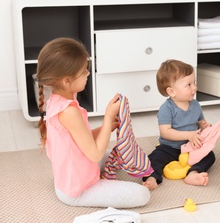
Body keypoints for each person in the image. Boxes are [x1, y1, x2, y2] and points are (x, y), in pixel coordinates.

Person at [36, 37, 150, 208]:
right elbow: (95, 154)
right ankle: (99, 183)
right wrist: (108, 117)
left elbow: (80, 139)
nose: (88, 74)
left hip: (73, 173)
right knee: (142, 195)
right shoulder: (69, 111)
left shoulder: (58, 99)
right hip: (78, 190)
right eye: (84, 72)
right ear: (67, 80)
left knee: (114, 154)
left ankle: (99, 174)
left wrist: (107, 128)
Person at [142, 59, 215, 190]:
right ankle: (152, 178)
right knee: (154, 158)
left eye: (194, 82)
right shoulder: (166, 109)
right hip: (170, 147)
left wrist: (205, 127)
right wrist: (188, 135)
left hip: (191, 146)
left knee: (210, 156)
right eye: (188, 85)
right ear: (171, 92)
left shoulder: (195, 105)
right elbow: (166, 132)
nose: (195, 88)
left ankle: (193, 174)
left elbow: (200, 123)